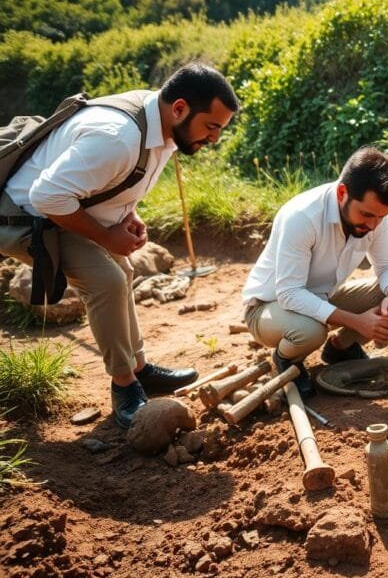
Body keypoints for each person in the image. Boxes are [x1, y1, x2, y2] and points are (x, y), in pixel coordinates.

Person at [0, 63, 239, 428]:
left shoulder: (163, 125)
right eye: (212, 127)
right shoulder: (117, 137)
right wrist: (106, 235)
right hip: (30, 217)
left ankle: (139, 368)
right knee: (107, 283)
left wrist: (128, 213)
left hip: (68, 207)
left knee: (124, 271)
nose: (215, 139)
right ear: (179, 108)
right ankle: (124, 386)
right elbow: (46, 196)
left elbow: (120, 179)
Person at [241, 146, 388, 396]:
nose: (373, 225)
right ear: (342, 192)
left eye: (380, 217)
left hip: (322, 297)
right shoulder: (302, 217)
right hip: (269, 308)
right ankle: (286, 359)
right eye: (367, 215)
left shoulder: (375, 213)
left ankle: (340, 348)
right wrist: (358, 321)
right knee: (311, 331)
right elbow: (290, 294)